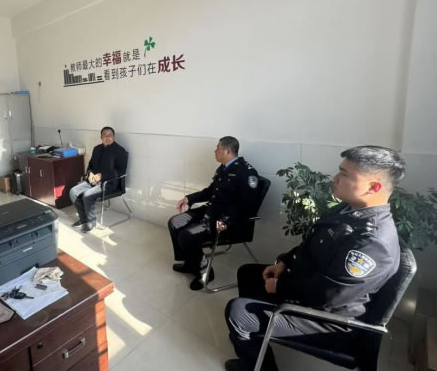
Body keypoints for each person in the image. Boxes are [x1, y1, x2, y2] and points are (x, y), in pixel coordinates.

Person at [223, 145, 405, 371]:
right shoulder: (349, 210)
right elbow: (312, 243)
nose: (335, 178)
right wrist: (285, 262)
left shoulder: (373, 241)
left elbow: (331, 295)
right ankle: (252, 337)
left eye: (344, 174)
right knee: (248, 274)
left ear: (373, 187)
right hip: (314, 290)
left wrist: (280, 287)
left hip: (329, 320)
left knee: (238, 311)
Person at [168, 136, 260, 290]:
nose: (215, 151)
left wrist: (225, 220)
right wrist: (189, 199)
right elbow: (210, 191)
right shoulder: (223, 168)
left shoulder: (247, 172)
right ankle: (191, 263)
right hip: (211, 211)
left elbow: (246, 206)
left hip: (226, 221)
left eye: (218, 147)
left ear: (227, 151)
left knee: (187, 235)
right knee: (175, 222)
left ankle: (206, 272)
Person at [69, 127, 127, 232]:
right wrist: (90, 173)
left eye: (110, 135)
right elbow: (90, 165)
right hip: (92, 181)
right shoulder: (97, 149)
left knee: (87, 195)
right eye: (104, 135)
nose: (107, 137)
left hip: (109, 184)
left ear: (113, 137)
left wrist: (102, 176)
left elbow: (121, 171)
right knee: (73, 192)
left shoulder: (120, 151)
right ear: (101, 137)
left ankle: (91, 222)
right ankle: (83, 219)